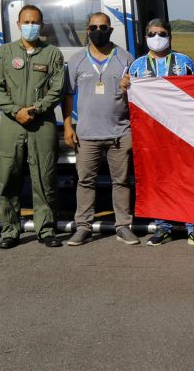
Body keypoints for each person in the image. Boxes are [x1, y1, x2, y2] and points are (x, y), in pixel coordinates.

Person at [120, 19, 194, 249]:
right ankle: (163, 227)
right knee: (158, 180)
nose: (157, 37)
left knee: (189, 179)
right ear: (146, 36)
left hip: (183, 132)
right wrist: (123, 87)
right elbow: (126, 99)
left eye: (161, 33)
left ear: (170, 35)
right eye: (152, 33)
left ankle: (193, 228)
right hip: (152, 135)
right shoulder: (137, 65)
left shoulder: (184, 61)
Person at [0, 5, 66, 249]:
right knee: (9, 177)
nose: (30, 26)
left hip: (41, 123)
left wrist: (37, 109)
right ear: (18, 24)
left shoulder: (53, 54)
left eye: (35, 22)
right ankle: (10, 230)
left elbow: (57, 89)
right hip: (12, 123)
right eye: (26, 21)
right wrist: (16, 111)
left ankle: (45, 229)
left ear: (41, 25)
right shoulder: (3, 53)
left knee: (44, 178)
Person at [63, 12, 139, 246]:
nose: (98, 31)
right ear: (87, 30)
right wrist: (68, 126)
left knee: (121, 181)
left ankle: (123, 226)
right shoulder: (76, 60)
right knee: (85, 181)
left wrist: (128, 89)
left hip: (120, 133)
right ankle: (83, 226)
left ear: (111, 30)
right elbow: (67, 95)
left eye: (103, 27)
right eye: (94, 27)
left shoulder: (125, 58)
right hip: (87, 134)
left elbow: (137, 95)